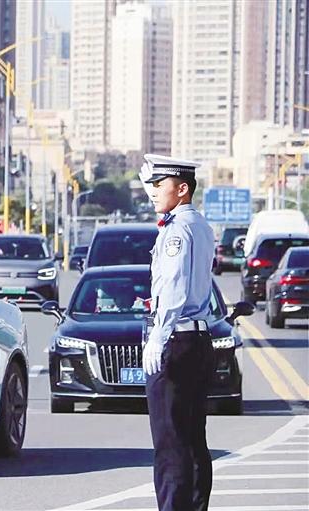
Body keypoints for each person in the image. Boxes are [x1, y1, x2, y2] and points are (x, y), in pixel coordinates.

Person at [140, 154, 216, 511]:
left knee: (170, 441)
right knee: (192, 438)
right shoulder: (198, 224)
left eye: (159, 185)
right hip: (198, 339)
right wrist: (156, 193)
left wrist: (158, 336)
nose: (154, 192)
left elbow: (173, 285)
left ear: (182, 189)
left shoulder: (176, 231)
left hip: (176, 338)